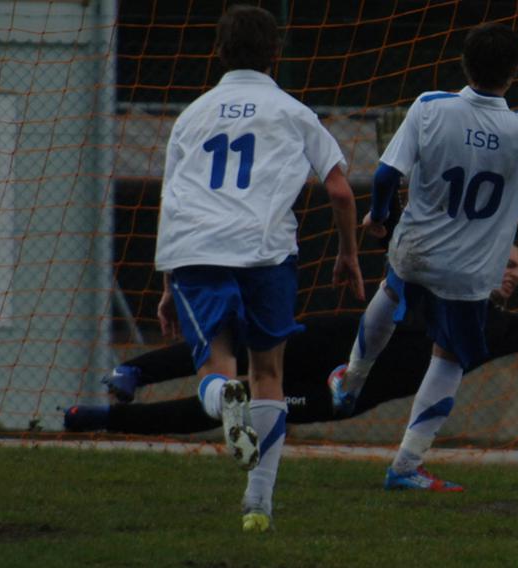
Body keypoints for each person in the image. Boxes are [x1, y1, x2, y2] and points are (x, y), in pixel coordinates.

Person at [327, 23, 518, 492]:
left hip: (416, 250)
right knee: (447, 359)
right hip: (469, 273)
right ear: (513, 73)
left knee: (390, 289)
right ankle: (405, 466)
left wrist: (379, 218)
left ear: (464, 63)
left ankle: (349, 381)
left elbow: (387, 175)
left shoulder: (430, 106)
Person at [64, 247, 518, 434]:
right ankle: (135, 373)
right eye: (505, 260)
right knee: (245, 340)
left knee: (244, 415)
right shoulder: (438, 281)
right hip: (336, 337)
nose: (510, 272)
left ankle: (98, 421)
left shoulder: (495, 329)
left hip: (344, 397)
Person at [153, 5, 364, 533]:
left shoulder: (192, 115)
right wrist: (349, 254)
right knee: (269, 373)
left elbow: (171, 197)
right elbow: (339, 190)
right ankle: (258, 504)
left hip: (196, 249)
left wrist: (167, 282)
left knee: (216, 367)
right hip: (267, 252)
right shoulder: (294, 112)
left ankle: (223, 398)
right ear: (277, 53)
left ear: (219, 53)